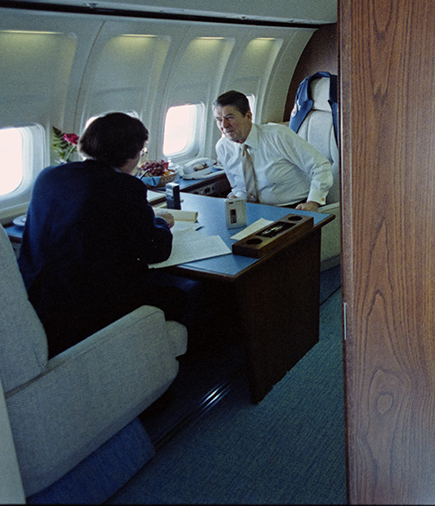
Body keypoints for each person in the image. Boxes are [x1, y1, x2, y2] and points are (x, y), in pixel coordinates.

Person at [18, 112, 178, 357]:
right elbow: (156, 250)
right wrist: (161, 223)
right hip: (89, 304)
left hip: (38, 296)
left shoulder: (48, 176)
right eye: (141, 151)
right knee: (183, 293)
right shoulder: (124, 186)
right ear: (130, 153)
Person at [213, 90, 332, 211]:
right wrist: (237, 197)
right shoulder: (223, 148)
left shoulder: (277, 136)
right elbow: (238, 187)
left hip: (294, 207)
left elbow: (320, 166)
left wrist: (313, 202)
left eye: (229, 117)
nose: (224, 125)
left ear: (248, 116)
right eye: (219, 120)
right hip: (254, 209)